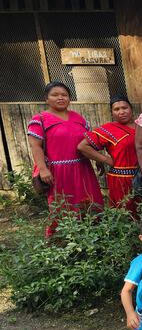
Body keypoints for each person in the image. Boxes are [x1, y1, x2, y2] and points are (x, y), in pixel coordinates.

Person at [27, 81, 103, 236]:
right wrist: (43, 169)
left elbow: (88, 142)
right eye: (55, 95)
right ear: (46, 99)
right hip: (58, 172)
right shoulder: (40, 120)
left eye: (64, 95)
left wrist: (98, 159)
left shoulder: (78, 118)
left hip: (83, 169)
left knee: (90, 202)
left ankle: (94, 237)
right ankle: (60, 241)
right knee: (62, 206)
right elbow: (36, 147)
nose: (60, 98)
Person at [78, 96, 139, 212]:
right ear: (112, 113)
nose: (121, 112)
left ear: (131, 109)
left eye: (124, 108)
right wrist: (105, 160)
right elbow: (83, 147)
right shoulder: (108, 129)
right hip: (121, 180)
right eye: (116, 109)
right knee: (125, 213)